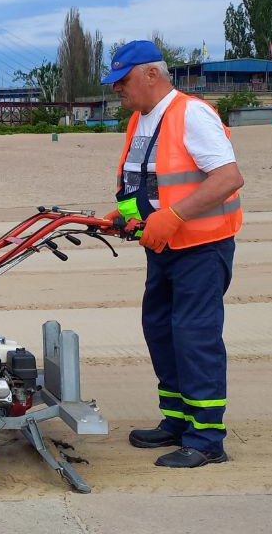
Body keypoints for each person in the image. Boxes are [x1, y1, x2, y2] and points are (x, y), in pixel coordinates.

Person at [101, 40, 244, 468]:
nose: (117, 90)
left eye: (122, 81)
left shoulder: (191, 113)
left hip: (201, 248)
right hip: (162, 247)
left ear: (151, 74)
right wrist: (126, 214)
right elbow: (146, 182)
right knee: (161, 330)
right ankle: (178, 421)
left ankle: (206, 437)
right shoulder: (140, 121)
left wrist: (175, 215)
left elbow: (228, 178)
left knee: (194, 336)